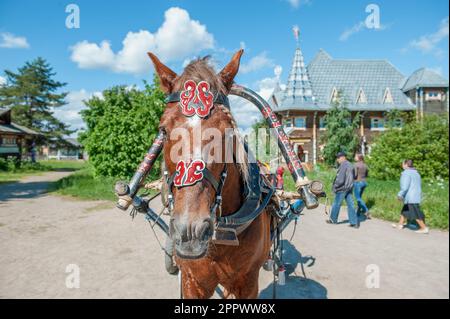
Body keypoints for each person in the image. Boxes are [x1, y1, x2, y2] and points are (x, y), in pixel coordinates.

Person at [392, 160, 429, 234]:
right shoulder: (416, 173)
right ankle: (400, 224)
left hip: (410, 196)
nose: (402, 165)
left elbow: (405, 187)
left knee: (415, 212)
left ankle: (423, 228)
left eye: (402, 164)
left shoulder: (406, 173)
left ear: (406, 165)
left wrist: (400, 194)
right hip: (416, 195)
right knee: (405, 209)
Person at [327, 151, 359, 228]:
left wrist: (335, 187)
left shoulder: (343, 165)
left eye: (338, 158)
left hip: (342, 188)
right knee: (351, 205)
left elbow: (340, 180)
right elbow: (355, 176)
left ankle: (333, 220)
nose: (337, 159)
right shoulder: (351, 165)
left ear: (343, 157)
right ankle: (354, 222)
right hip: (349, 188)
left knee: (336, 204)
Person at [353, 152, 370, 219]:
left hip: (358, 182)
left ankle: (366, 210)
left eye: (355, 156)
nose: (354, 157)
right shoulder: (365, 165)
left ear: (358, 158)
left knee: (358, 198)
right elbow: (366, 175)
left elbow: (354, 175)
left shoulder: (355, 165)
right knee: (359, 197)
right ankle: (358, 212)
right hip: (364, 182)